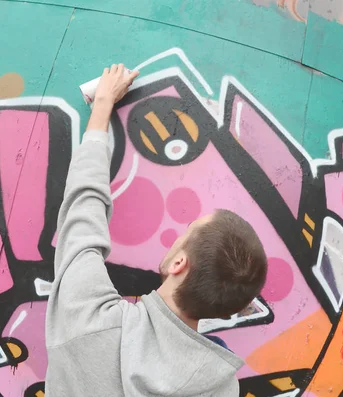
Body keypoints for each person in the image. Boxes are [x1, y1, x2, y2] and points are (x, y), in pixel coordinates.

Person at [45, 64, 268, 396]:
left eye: (188, 231)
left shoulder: (90, 320)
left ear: (179, 264)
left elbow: (81, 211)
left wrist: (103, 104)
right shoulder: (220, 388)